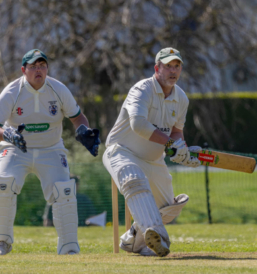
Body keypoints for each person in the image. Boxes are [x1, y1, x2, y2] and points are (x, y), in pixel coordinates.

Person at [103, 47, 201, 257]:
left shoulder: (181, 98)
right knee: (133, 177)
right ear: (157, 68)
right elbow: (138, 124)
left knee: (169, 207)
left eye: (177, 66)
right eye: (168, 66)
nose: (173, 71)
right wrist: (170, 144)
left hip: (154, 158)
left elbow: (176, 132)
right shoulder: (141, 89)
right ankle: (159, 237)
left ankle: (132, 241)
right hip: (121, 151)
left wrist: (182, 152)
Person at [0, 49, 100, 255]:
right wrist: (8, 135)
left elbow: (77, 116)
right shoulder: (11, 92)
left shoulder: (58, 89)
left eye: (42, 66)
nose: (39, 70)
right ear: (23, 70)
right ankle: (2, 242)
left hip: (51, 149)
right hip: (16, 148)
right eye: (33, 66)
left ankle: (69, 247)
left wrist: (83, 130)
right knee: (3, 184)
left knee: (64, 191)